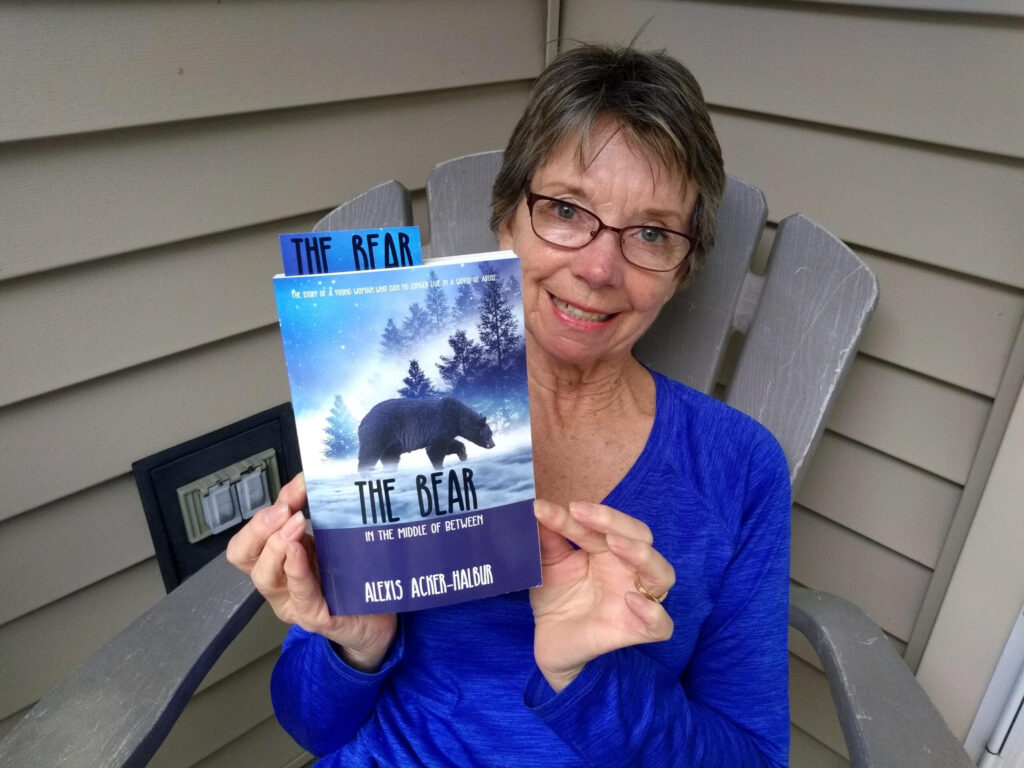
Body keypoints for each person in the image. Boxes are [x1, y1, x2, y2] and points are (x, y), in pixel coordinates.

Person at [228, 43, 790, 767]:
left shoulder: (738, 468)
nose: (596, 268)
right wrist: (356, 645)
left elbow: (751, 757)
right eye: (564, 209)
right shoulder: (395, 400)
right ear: (507, 221)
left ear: (684, 267)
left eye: (651, 233)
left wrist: (588, 677)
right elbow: (313, 728)